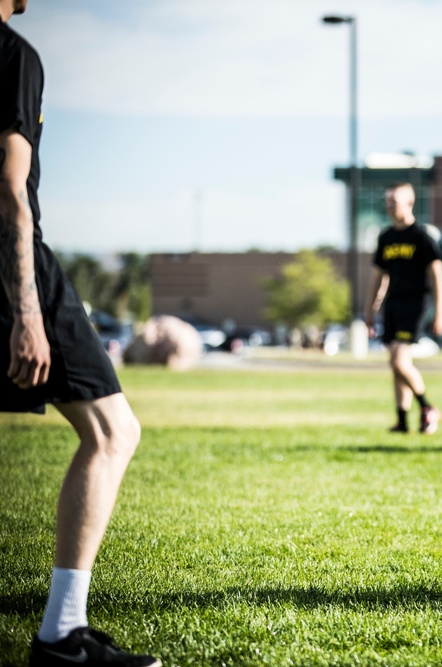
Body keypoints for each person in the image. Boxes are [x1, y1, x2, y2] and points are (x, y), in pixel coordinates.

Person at [0, 2, 161, 665]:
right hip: (13, 263)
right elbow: (9, 190)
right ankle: (61, 635)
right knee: (113, 430)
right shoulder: (13, 55)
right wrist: (28, 314)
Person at [364, 182, 442, 435]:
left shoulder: (421, 236)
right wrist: (369, 310)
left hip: (414, 304)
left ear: (409, 203)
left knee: (398, 360)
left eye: (394, 201)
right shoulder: (386, 237)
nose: (389, 206)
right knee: (397, 364)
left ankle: (427, 407)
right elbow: (379, 277)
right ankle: (402, 421)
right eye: (387, 201)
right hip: (393, 305)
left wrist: (440, 311)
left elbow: (437, 276)